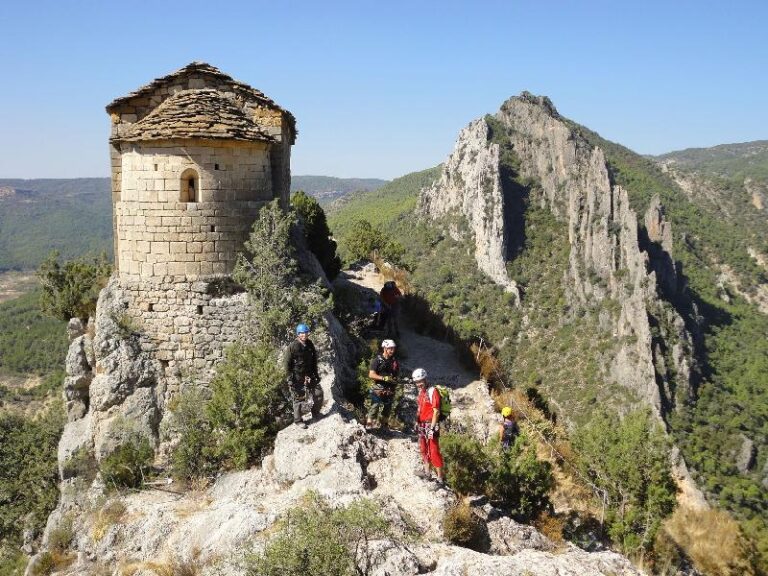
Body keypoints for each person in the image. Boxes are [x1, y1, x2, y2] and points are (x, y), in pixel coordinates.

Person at [283, 323, 323, 428]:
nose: (304, 335)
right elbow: (287, 364)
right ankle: (298, 421)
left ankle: (316, 413)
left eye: (305, 333)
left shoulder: (309, 344)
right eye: (301, 333)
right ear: (298, 334)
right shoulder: (292, 347)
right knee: (298, 399)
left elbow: (314, 360)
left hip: (309, 374)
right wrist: (290, 379)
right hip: (297, 377)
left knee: (318, 393)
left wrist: (316, 374)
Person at [414, 368, 445, 486]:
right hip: (422, 424)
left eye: (420, 381)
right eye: (416, 382)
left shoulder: (433, 391)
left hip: (431, 424)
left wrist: (432, 428)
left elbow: (436, 412)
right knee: (423, 448)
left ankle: (440, 479)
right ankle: (427, 472)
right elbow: (420, 408)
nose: (418, 384)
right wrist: (417, 421)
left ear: (425, 379)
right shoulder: (421, 393)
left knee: (434, 450)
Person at [366, 339, 400, 429]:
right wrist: (383, 378)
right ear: (384, 348)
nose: (392, 350)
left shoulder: (394, 362)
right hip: (378, 386)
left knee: (387, 409)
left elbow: (396, 375)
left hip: (390, 388)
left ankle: (383, 427)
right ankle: (369, 426)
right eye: (390, 348)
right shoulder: (377, 360)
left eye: (393, 348)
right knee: (375, 406)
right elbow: (371, 374)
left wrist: (395, 381)